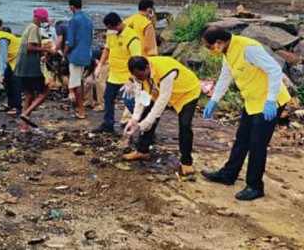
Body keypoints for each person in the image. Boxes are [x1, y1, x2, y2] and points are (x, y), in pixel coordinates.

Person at [201, 27, 291, 201]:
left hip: (269, 102)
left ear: (219, 43)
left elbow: (274, 70)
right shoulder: (228, 51)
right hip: (252, 101)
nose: (209, 50)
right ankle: (228, 175)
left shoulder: (248, 48)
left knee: (257, 144)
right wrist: (215, 99)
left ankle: (255, 186)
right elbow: (225, 76)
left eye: (209, 47)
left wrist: (271, 100)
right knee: (242, 139)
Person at [123, 56, 201, 172]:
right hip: (159, 91)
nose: (140, 79)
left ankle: (186, 163)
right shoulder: (138, 75)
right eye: (137, 77)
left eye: (141, 76)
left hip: (186, 92)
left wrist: (144, 124)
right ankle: (142, 151)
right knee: (146, 113)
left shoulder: (166, 71)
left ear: (147, 68)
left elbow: (163, 101)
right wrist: (134, 119)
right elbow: (140, 97)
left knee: (185, 125)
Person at [92, 12, 142, 133]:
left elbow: (137, 60)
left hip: (127, 77)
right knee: (108, 98)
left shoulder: (132, 37)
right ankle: (108, 123)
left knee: (130, 102)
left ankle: (144, 125)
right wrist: (100, 65)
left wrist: (131, 79)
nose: (109, 30)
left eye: (110, 28)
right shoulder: (111, 34)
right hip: (114, 75)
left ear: (118, 24)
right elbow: (107, 49)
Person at [15, 8, 55, 132]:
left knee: (29, 95)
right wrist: (47, 50)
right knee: (46, 90)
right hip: (30, 67)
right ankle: (26, 114)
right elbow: (30, 47)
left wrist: (41, 52)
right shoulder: (34, 28)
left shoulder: (28, 27)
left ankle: (23, 126)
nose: (44, 22)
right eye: (43, 19)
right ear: (40, 18)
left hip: (22, 67)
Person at [64, 0, 93, 119]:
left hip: (76, 55)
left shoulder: (74, 20)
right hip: (87, 54)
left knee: (76, 84)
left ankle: (81, 111)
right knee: (79, 81)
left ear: (71, 7)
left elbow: (70, 42)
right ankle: (80, 108)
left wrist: (64, 53)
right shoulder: (88, 19)